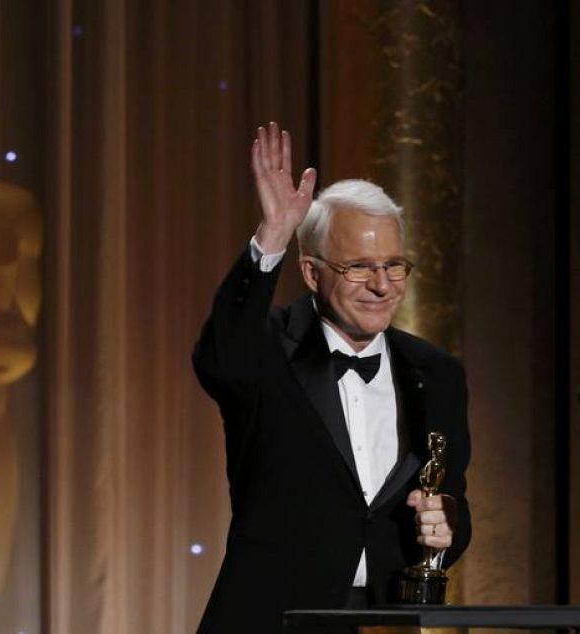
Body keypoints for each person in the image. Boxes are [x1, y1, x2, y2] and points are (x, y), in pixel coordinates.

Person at [193, 122, 471, 633]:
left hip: (389, 622)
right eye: (359, 268)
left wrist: (446, 520)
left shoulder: (438, 374)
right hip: (273, 620)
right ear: (311, 272)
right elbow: (221, 357)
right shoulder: (269, 350)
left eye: (394, 265)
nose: (383, 285)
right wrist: (272, 234)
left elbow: (452, 500)